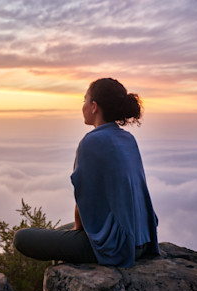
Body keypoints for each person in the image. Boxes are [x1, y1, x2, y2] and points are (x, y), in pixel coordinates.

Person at [14, 78, 159, 268]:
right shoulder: (127, 139)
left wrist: (78, 233)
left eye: (84, 100)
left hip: (118, 247)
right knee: (59, 231)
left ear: (94, 106)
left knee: (22, 238)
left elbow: (84, 200)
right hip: (142, 240)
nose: (82, 106)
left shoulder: (92, 142)